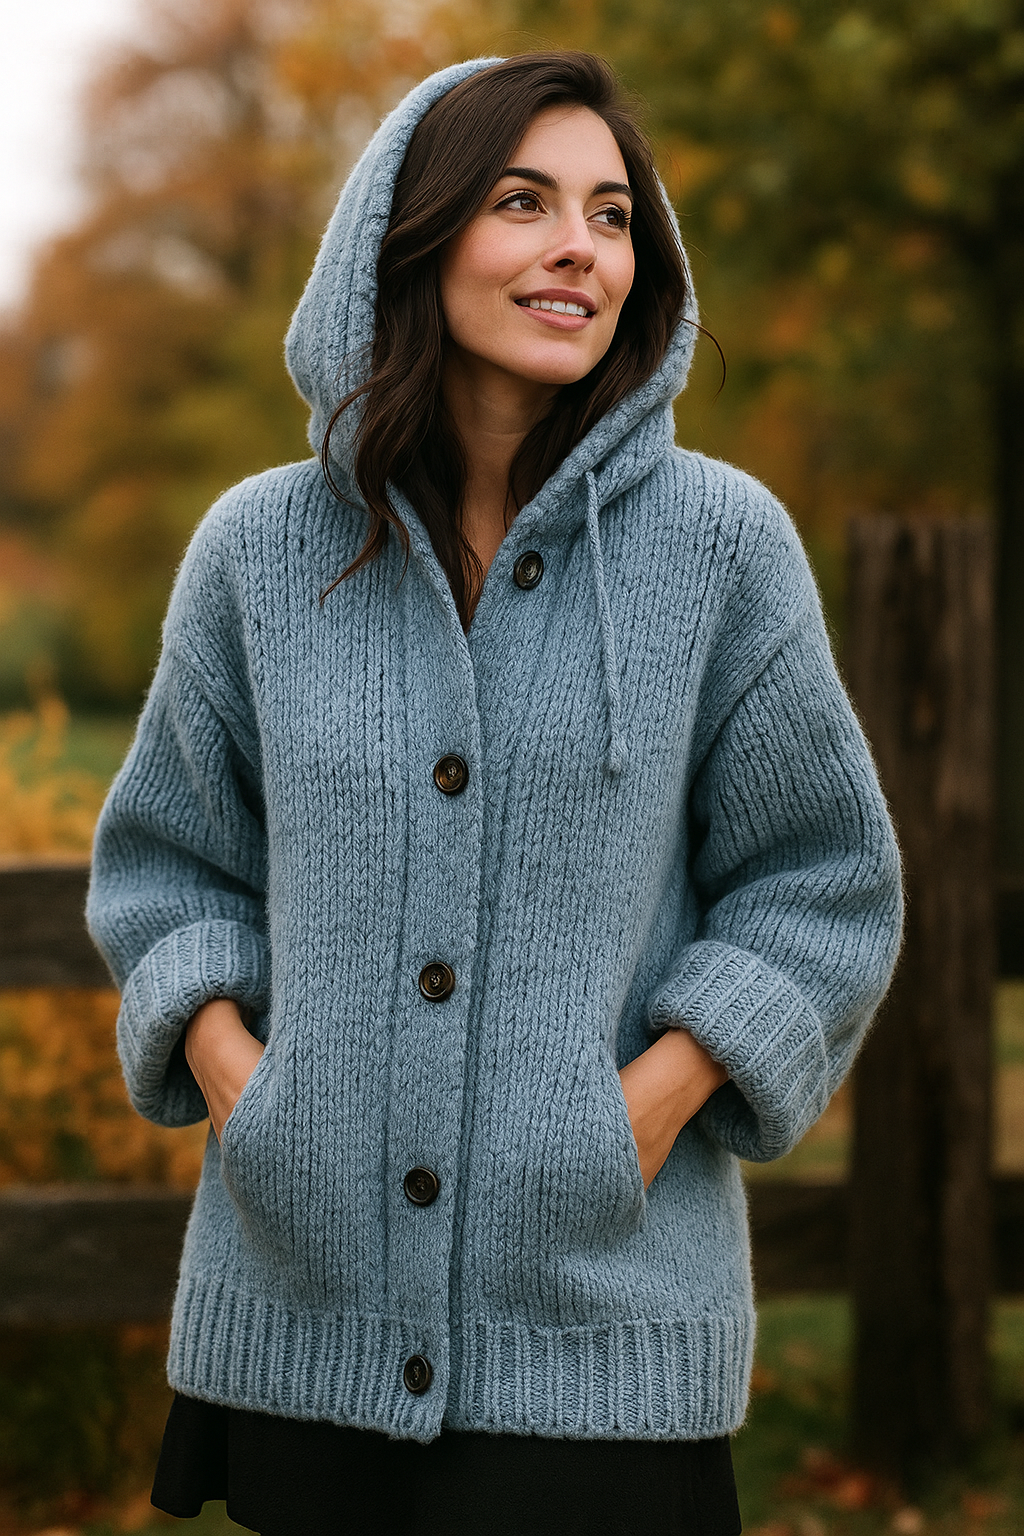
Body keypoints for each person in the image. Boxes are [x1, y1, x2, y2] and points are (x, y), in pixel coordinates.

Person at [86, 51, 903, 1536]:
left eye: (612, 213)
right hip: (303, 1308)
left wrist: (646, 1109)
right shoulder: (258, 549)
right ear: (408, 237)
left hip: (600, 1322)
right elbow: (167, 869)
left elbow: (823, 885)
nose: (580, 246)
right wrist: (238, 1081)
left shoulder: (722, 548)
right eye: (525, 203)